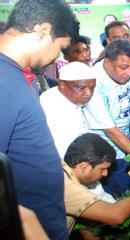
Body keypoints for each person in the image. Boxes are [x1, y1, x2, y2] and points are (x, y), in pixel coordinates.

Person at [0, 0, 79, 238]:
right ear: (43, 31)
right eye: (60, 47)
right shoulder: (2, 82)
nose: (56, 58)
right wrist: (22, 219)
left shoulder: (19, 74)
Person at [84, 39, 130, 196]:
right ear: (107, 63)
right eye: (124, 67)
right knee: (113, 193)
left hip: (127, 142)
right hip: (102, 148)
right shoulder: (93, 82)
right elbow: (110, 131)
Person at [63, 133, 130, 232]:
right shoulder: (65, 187)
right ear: (84, 167)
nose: (105, 173)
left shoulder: (60, 170)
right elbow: (116, 215)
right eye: (103, 169)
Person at [40, 61, 96, 157]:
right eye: (82, 88)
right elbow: (61, 150)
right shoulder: (52, 105)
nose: (89, 93)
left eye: (92, 87)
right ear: (62, 85)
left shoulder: (72, 97)